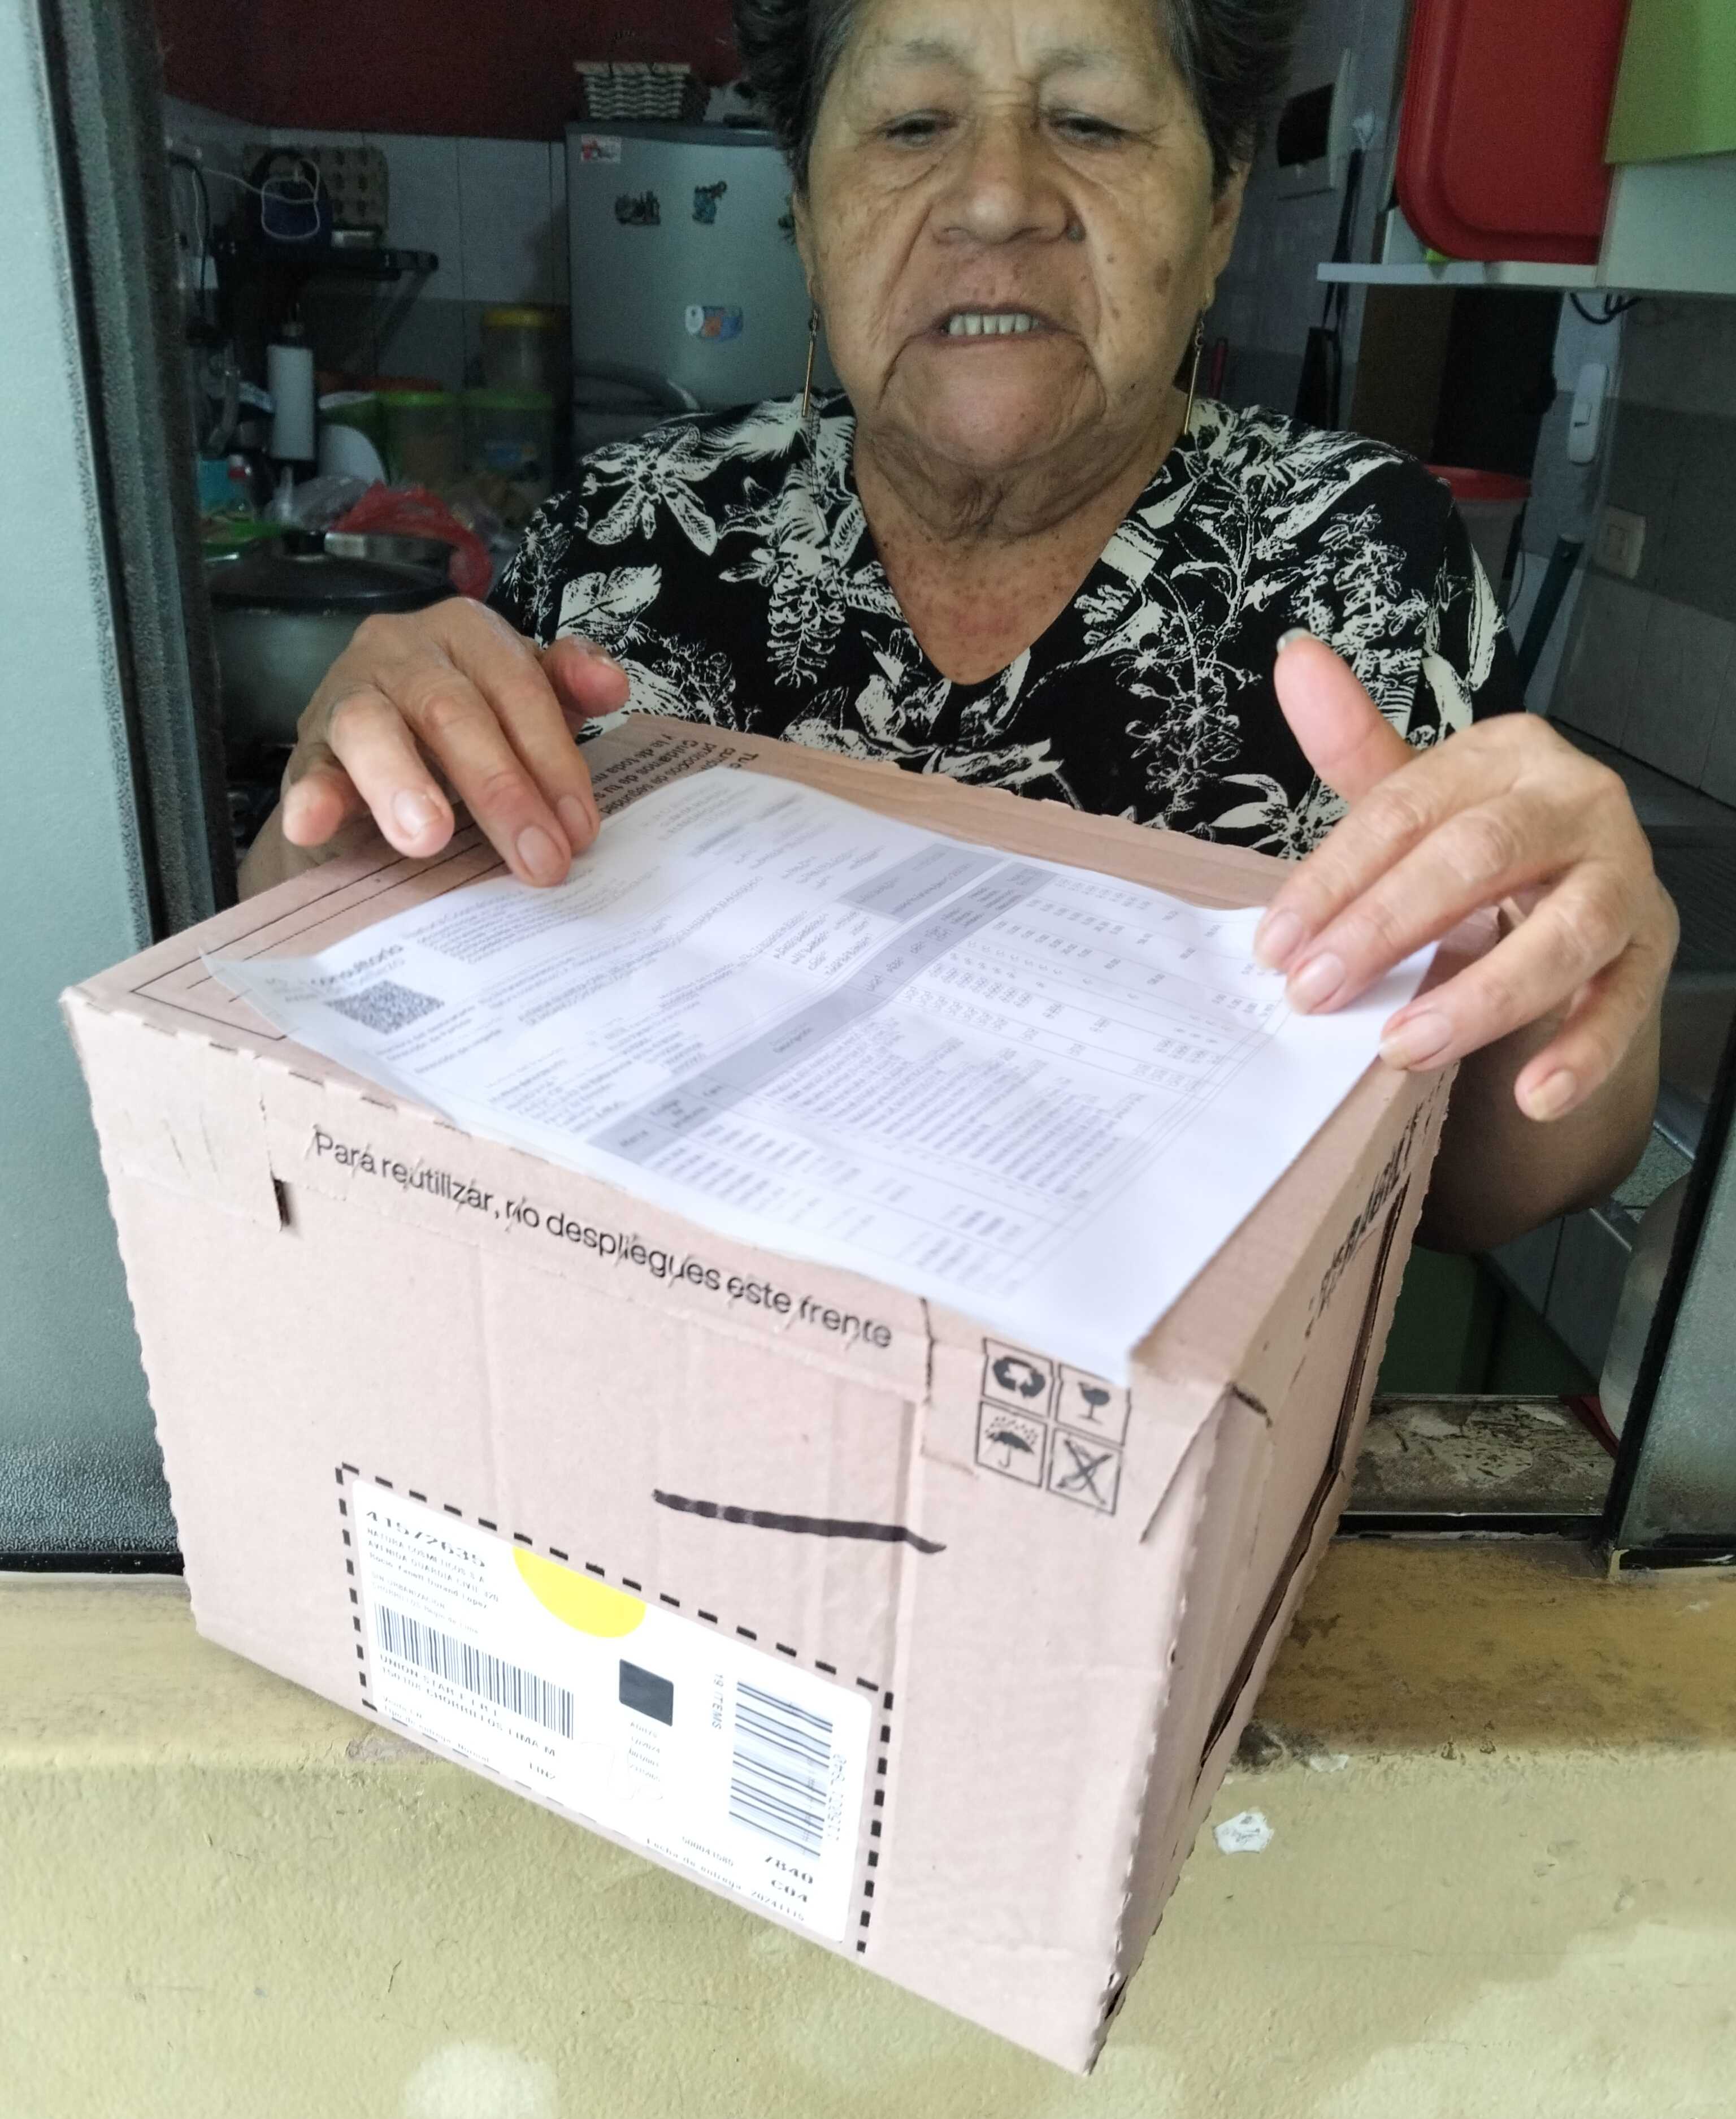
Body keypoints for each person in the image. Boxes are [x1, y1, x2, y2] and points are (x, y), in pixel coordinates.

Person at [240, 0, 1676, 1255]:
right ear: (808, 216)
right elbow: (347, 1011)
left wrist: (1571, 986)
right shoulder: (626, 535)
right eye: (914, 124)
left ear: (1219, 211)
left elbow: (1479, 1191)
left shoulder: (1361, 555)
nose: (996, 200)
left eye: (1092, 124)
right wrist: (338, 831)